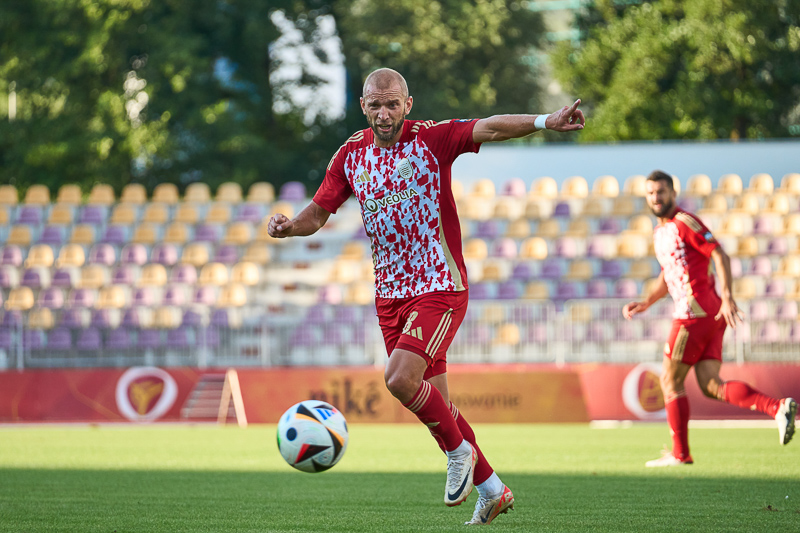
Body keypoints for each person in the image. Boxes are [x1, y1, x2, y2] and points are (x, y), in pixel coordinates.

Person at [269, 67, 585, 524]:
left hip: (438, 286)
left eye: (392, 103)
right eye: (375, 104)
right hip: (389, 297)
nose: (384, 113)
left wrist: (544, 121)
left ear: (408, 104)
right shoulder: (350, 155)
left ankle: (459, 454)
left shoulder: (431, 139)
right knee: (439, 406)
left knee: (399, 380)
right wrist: (288, 227)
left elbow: (490, 127)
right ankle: (493, 490)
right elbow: (318, 213)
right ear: (364, 106)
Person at [623, 170, 797, 467]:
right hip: (707, 314)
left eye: (661, 192)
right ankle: (777, 407)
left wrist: (728, 296)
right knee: (711, 385)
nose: (656, 198)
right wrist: (647, 302)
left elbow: (720, 255)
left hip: (694, 312)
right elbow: (668, 273)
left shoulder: (684, 222)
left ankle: (680, 454)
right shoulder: (660, 232)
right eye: (651, 193)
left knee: (669, 380)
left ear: (673, 193)